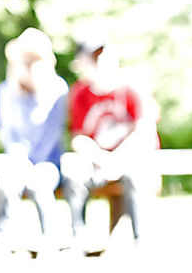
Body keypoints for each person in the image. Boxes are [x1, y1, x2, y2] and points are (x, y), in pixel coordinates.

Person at [0, 28, 68, 256]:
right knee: (8, 181)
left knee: (40, 182)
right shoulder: (7, 90)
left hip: (48, 160)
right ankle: (4, 239)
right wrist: (20, 161)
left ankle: (49, 240)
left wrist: (33, 165)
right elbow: (9, 134)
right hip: (18, 160)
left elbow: (53, 136)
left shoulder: (57, 90)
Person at [60, 39, 158, 248]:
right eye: (93, 58)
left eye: (103, 56)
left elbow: (144, 131)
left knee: (138, 174)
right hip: (97, 159)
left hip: (131, 156)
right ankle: (79, 238)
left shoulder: (132, 86)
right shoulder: (80, 92)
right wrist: (102, 159)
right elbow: (78, 137)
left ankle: (142, 239)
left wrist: (117, 160)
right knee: (73, 170)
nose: (100, 62)